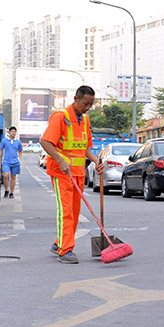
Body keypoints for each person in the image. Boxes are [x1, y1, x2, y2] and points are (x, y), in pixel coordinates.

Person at [40, 86, 104, 264]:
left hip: (78, 173)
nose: (88, 107)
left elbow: (84, 148)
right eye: (85, 103)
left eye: (91, 104)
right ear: (76, 98)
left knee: (75, 212)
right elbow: (45, 141)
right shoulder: (61, 117)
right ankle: (65, 250)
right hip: (62, 173)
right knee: (66, 211)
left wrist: (96, 161)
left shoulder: (85, 119)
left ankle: (59, 242)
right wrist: (60, 160)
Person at [0, 126, 23, 199]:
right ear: (9, 133)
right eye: (12, 131)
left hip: (15, 162)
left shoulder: (18, 142)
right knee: (5, 175)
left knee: (13, 177)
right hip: (6, 161)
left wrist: (19, 159)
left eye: (14, 132)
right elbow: (0, 150)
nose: (13, 133)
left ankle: (11, 192)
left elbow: (20, 151)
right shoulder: (5, 141)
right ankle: (6, 190)